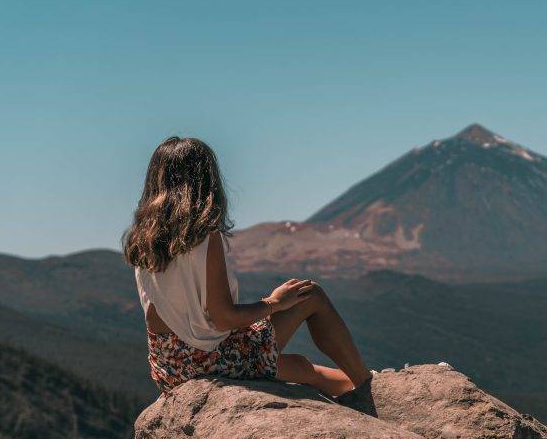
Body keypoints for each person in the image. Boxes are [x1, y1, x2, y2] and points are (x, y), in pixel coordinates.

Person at [122, 136, 372, 401]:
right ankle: (368, 385)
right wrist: (274, 303)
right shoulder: (204, 238)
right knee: (309, 294)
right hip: (208, 360)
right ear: (206, 181)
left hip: (171, 366)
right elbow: (223, 318)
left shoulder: (143, 239)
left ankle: (364, 385)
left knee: (298, 366)